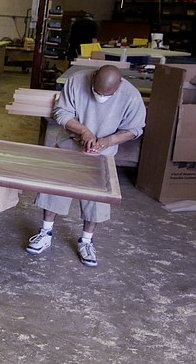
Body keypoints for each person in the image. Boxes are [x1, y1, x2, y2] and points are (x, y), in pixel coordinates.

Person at [26, 65, 145, 267]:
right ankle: (45, 233)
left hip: (102, 152)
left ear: (118, 87)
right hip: (70, 145)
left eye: (107, 95)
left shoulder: (131, 95)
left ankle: (87, 241)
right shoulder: (76, 80)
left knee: (96, 198)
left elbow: (134, 129)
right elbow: (61, 112)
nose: (101, 97)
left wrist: (108, 141)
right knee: (55, 189)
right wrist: (83, 131)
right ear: (93, 77)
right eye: (97, 92)